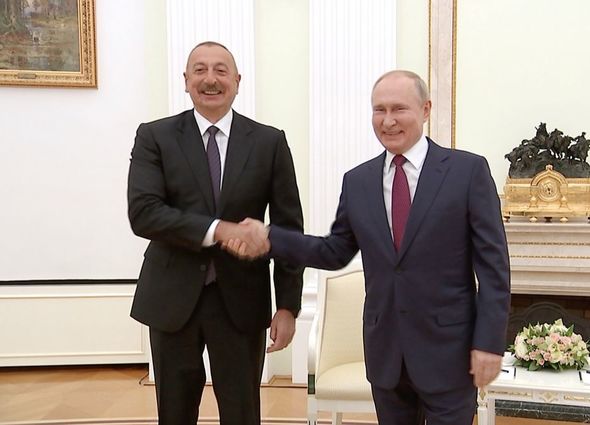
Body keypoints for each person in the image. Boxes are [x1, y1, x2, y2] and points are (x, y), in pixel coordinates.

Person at [225, 70, 511, 425]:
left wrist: (489, 343)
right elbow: (335, 251)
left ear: (425, 110)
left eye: (399, 109)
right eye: (379, 110)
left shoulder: (467, 172)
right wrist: (271, 238)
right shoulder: (358, 181)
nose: (388, 121)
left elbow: (494, 269)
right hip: (386, 355)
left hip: (450, 353)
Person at [127, 41, 304, 425]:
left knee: (243, 414)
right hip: (172, 300)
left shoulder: (269, 142)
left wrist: (288, 305)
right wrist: (220, 230)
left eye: (221, 70)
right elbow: (144, 214)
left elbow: (288, 228)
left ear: (238, 81)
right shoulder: (155, 136)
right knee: (174, 414)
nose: (211, 79)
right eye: (200, 70)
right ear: (185, 80)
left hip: (241, 300)